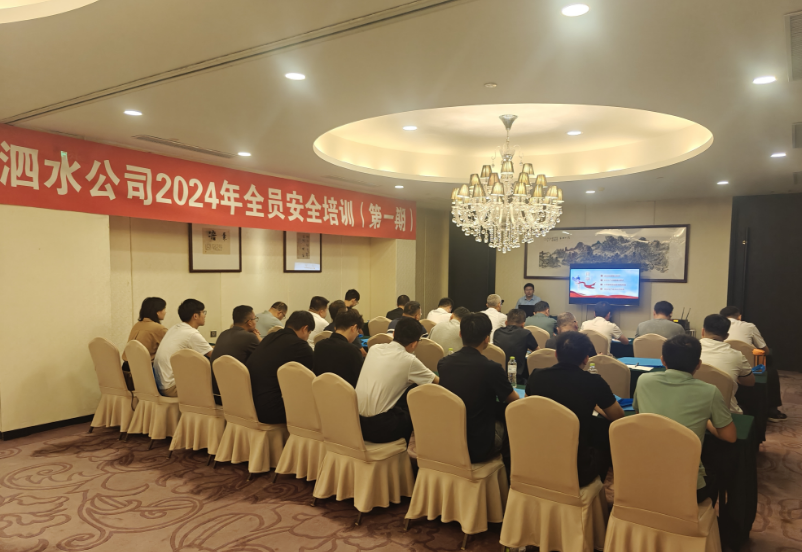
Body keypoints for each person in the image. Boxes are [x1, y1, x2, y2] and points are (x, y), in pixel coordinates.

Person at [633, 335, 736, 503]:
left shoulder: (643, 380)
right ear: (698, 364)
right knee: (716, 470)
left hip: (642, 479)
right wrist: (707, 422)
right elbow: (730, 436)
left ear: (662, 360)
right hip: (688, 488)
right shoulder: (710, 391)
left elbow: (640, 415)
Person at [526, 331, 625, 486]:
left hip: (535, 457)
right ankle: (599, 490)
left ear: (556, 354)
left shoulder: (536, 376)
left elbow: (527, 408)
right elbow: (618, 417)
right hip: (577, 468)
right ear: (586, 359)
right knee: (602, 435)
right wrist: (596, 405)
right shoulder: (593, 382)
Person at [438, 312, 519, 463]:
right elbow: (514, 400)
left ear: (460, 334)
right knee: (511, 420)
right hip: (478, 448)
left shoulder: (443, 363)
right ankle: (507, 470)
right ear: (487, 339)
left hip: (449, 440)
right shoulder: (492, 368)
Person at [356, 317, 439, 443]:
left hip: (357, 422)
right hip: (379, 428)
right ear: (414, 343)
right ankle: (416, 449)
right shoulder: (409, 360)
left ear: (393, 334)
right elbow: (437, 382)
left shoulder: (374, 349)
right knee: (418, 408)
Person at [246, 311, 315, 424]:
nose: (307, 337)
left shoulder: (270, 338)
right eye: (309, 332)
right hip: (270, 410)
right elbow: (307, 383)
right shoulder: (300, 346)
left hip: (249, 404)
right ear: (305, 328)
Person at [720, 306, 786, 421]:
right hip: (747, 365)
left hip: (722, 364)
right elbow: (765, 350)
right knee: (770, 367)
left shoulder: (718, 327)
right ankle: (772, 411)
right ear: (739, 317)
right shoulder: (749, 326)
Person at [153, 299, 213, 397]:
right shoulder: (192, 333)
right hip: (172, 387)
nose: (204, 315)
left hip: (160, 384)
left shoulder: (175, 328)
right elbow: (213, 355)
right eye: (203, 312)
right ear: (195, 316)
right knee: (210, 375)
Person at [700, 314, 754, 413]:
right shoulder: (737, 355)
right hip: (726, 412)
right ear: (726, 336)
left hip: (691, 409)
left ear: (702, 331)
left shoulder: (687, 351)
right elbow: (750, 382)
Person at [121, 297, 168, 390]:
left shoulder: (137, 325)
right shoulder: (159, 329)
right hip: (144, 374)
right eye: (164, 309)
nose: (165, 312)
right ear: (158, 312)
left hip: (126, 372)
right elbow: (171, 350)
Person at [313, 309, 364, 387]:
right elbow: (361, 380)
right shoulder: (353, 351)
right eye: (357, 331)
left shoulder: (319, 345)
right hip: (346, 393)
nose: (357, 334)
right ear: (354, 328)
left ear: (335, 327)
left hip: (321, 391)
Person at [493, 309, 539, 384]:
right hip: (518, 378)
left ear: (506, 322)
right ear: (523, 324)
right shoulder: (526, 333)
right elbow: (538, 352)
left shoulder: (497, 332)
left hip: (498, 377)